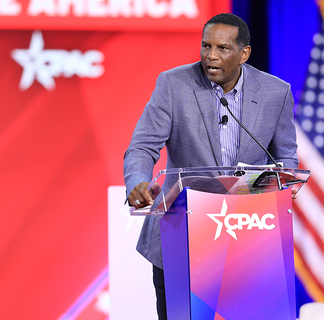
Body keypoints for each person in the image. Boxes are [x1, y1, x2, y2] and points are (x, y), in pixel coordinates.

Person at [123, 13, 298, 319]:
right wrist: (138, 181)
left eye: (222, 48)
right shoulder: (173, 85)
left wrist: (283, 184)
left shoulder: (275, 92)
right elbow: (142, 146)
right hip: (181, 234)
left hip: (249, 238)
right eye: (205, 46)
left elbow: (285, 159)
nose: (211, 56)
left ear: (244, 53)